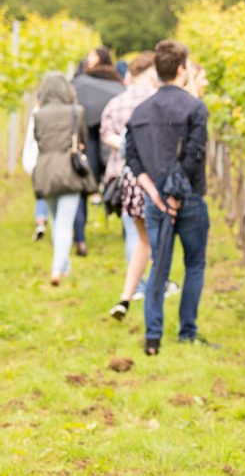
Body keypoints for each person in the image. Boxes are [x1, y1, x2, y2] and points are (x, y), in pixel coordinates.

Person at [125, 40, 210, 355]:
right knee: (194, 264)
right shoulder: (195, 107)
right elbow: (194, 156)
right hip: (188, 199)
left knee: (159, 264)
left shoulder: (140, 111)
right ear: (180, 69)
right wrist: (175, 197)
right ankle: (187, 332)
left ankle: (153, 336)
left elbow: (132, 159)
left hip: (155, 199)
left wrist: (156, 194)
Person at [100, 52, 164, 320]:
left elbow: (104, 135)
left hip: (122, 174)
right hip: (151, 175)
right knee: (155, 237)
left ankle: (134, 288)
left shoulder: (116, 102)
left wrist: (125, 147)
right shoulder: (157, 101)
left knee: (135, 235)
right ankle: (152, 286)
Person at [31, 73, 97, 285]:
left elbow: (37, 139)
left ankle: (64, 264)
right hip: (68, 168)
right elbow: (83, 139)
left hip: (45, 169)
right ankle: (57, 268)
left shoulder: (39, 114)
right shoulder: (76, 112)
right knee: (65, 223)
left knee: (55, 217)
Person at [70, 47, 125, 256]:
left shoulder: (81, 84)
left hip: (91, 142)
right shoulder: (117, 85)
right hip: (112, 144)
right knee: (119, 186)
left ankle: (80, 237)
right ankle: (127, 231)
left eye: (92, 56)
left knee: (81, 189)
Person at [22, 102, 49, 241]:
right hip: (55, 161)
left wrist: (28, 162)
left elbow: (30, 139)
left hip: (38, 159)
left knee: (41, 193)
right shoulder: (67, 109)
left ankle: (40, 221)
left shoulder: (37, 111)